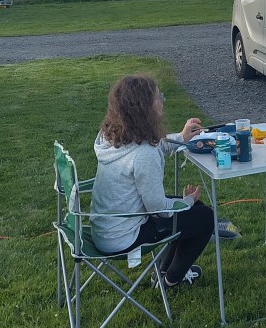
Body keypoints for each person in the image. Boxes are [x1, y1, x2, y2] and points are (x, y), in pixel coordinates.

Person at [91, 73, 214, 287]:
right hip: (125, 237)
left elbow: (151, 145)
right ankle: (172, 279)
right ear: (145, 107)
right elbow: (159, 209)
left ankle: (164, 272)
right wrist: (186, 202)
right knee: (204, 217)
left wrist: (182, 137)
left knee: (194, 210)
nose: (162, 101)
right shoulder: (145, 154)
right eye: (158, 97)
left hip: (106, 228)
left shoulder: (110, 137)